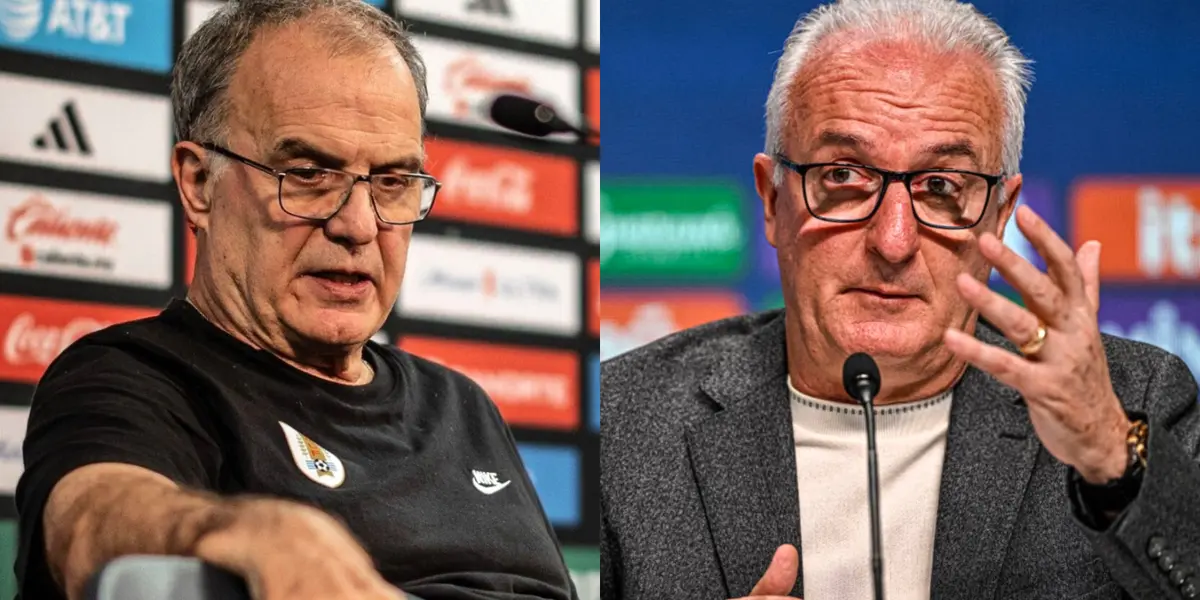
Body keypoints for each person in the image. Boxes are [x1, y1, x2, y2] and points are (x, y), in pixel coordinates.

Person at [600, 1, 1200, 599]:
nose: (893, 241)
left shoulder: (1131, 408)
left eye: (941, 187)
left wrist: (1110, 460)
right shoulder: (626, 423)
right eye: (843, 176)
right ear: (771, 199)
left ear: (999, 216)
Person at [14, 2, 577, 599]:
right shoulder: (129, 378)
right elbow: (89, 519)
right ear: (199, 184)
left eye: (391, 181)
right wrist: (248, 532)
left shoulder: (462, 404)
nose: (358, 226)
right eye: (309, 173)